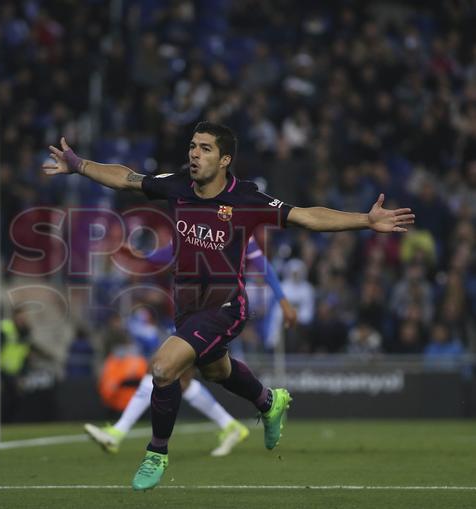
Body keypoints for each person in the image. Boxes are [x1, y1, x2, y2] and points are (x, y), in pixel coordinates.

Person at [43, 121, 414, 491]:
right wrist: (79, 164)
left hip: (226, 306)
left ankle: (156, 452)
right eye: (192, 145)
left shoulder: (246, 199)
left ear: (224, 160)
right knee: (217, 372)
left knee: (163, 367)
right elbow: (126, 178)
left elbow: (305, 216)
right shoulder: (177, 186)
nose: (194, 153)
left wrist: (365, 220)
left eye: (205, 148)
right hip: (186, 307)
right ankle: (269, 402)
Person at [84, 237, 297, 457]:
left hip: (218, 314)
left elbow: (260, 262)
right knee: (208, 373)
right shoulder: (191, 222)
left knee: (163, 369)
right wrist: (142, 255)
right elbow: (171, 251)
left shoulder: (235, 222)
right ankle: (246, 415)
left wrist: (282, 300)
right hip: (189, 315)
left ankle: (124, 436)